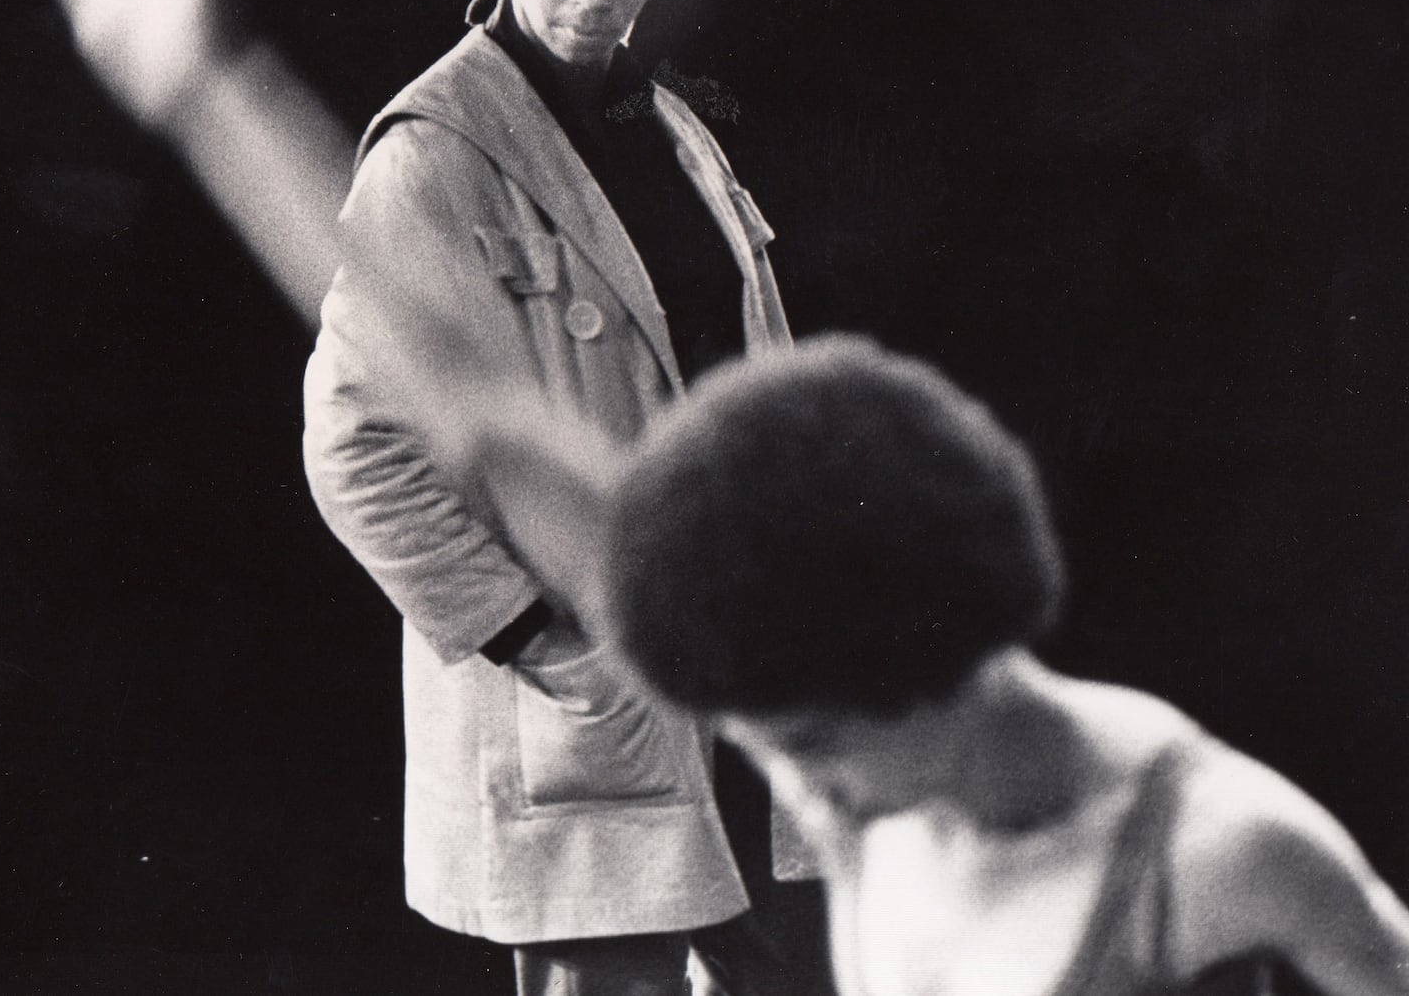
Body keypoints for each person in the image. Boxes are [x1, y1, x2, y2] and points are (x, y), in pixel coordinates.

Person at [299, 0, 820, 996]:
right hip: (590, 682)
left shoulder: (671, 130)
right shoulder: (437, 152)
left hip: (733, 657)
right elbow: (355, 448)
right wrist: (534, 633)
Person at [494, 333, 1404, 996]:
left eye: (811, 743)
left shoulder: (1229, 847)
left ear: (940, 666)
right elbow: (480, 416)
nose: (801, 788)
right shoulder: (843, 753)